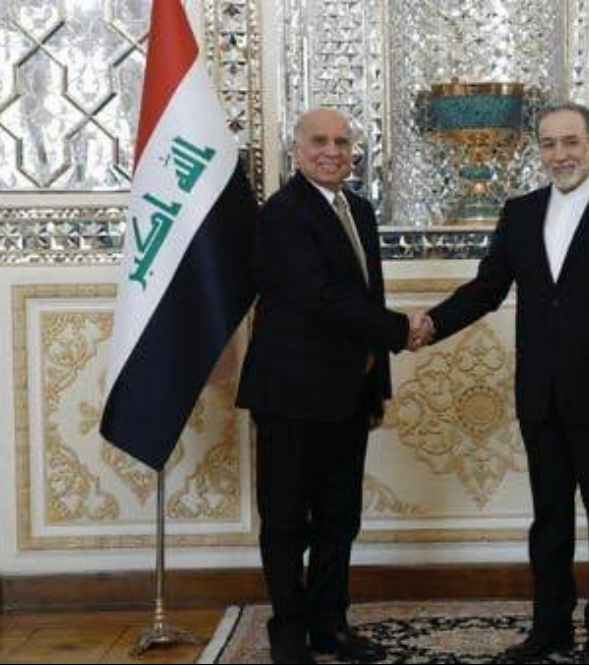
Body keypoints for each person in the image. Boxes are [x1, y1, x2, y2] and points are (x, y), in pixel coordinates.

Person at [411, 102, 589, 664]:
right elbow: (487, 288)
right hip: (539, 396)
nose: (560, 154)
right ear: (539, 151)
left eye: (571, 142)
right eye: (549, 144)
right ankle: (550, 629)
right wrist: (432, 324)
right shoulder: (520, 212)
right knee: (549, 519)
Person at [236, 108, 423, 664]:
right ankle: (289, 630)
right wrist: (401, 331)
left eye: (342, 142)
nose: (332, 151)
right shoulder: (282, 214)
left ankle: (330, 624)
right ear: (296, 150)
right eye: (319, 141)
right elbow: (320, 298)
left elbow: (367, 294)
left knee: (341, 517)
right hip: (291, 395)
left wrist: (376, 387)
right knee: (287, 519)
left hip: (348, 395)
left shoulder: (357, 210)